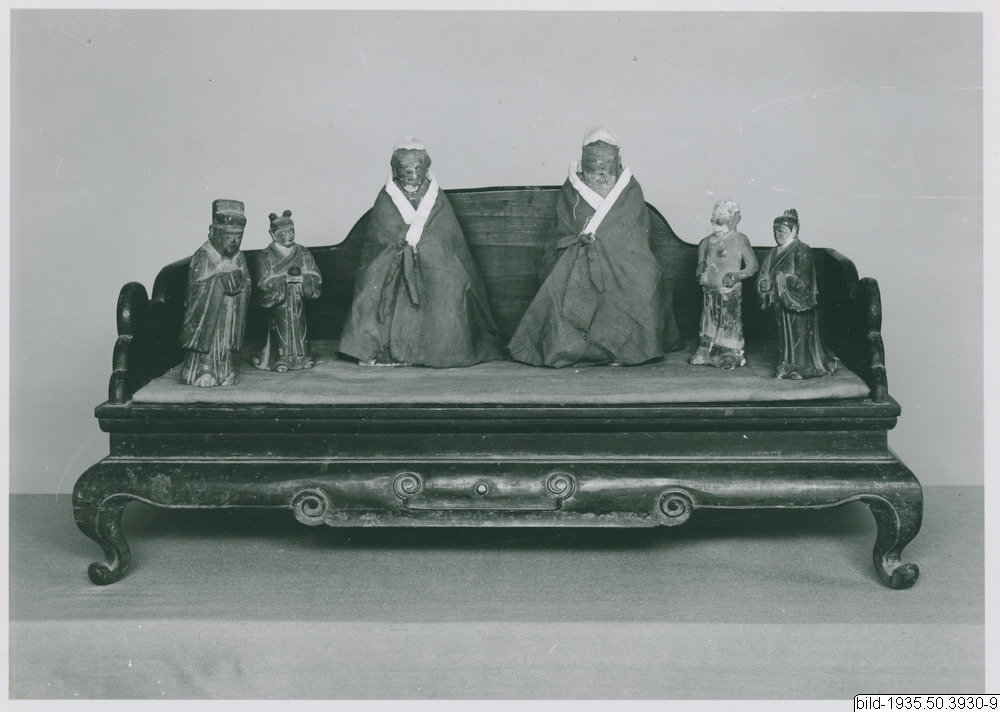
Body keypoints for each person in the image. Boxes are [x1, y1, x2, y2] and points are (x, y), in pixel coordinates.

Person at [507, 127, 681, 367]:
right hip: (576, 261)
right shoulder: (571, 191)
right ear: (583, 162)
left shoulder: (630, 190)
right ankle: (574, 347)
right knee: (559, 283)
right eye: (593, 162)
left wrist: (608, 246)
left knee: (645, 277)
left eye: (607, 163)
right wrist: (583, 242)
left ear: (617, 161)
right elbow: (563, 231)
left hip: (624, 264)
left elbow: (636, 238)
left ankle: (627, 346)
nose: (600, 169)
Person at [338, 137, 503, 367]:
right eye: (404, 168)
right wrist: (402, 248)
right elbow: (380, 238)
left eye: (416, 168)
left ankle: (441, 348)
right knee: (371, 284)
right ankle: (378, 348)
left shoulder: (437, 200)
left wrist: (422, 248)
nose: (410, 174)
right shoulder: (386, 199)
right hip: (392, 261)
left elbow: (446, 238)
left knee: (453, 282)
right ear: (394, 169)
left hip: (434, 262)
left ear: (426, 169)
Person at [756, 209, 838, 379]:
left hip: (797, 303)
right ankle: (785, 364)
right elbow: (764, 274)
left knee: (798, 336)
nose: (777, 235)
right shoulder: (772, 253)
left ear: (794, 230)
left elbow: (804, 282)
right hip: (780, 304)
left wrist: (782, 279)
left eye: (782, 231)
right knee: (784, 338)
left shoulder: (802, 249)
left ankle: (802, 367)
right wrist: (764, 284)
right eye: (775, 230)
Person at [179, 199, 252, 387]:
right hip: (210, 314)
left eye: (238, 237)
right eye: (228, 237)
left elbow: (247, 283)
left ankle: (225, 369)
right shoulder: (204, 255)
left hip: (229, 312)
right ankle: (204, 369)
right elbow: (195, 288)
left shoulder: (239, 257)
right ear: (216, 233)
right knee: (210, 342)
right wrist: (218, 280)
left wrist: (239, 283)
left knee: (224, 342)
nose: (234, 241)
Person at [689, 199, 758, 369]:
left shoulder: (740, 239)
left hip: (729, 292)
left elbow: (753, 266)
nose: (717, 221)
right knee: (708, 324)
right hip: (710, 292)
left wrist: (737, 275)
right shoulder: (705, 242)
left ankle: (730, 353)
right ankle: (704, 350)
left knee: (729, 325)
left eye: (723, 217)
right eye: (715, 217)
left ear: (736, 218)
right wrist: (700, 274)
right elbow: (700, 266)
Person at [251, 210, 322, 372]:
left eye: (291, 232)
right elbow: (262, 283)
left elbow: (316, 276)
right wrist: (284, 280)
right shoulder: (265, 256)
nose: (288, 236)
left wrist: (303, 279)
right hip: (279, 304)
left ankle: (303, 357)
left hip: (298, 300)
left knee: (300, 329)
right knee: (280, 329)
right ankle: (279, 358)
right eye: (282, 234)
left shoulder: (303, 252)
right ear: (272, 234)